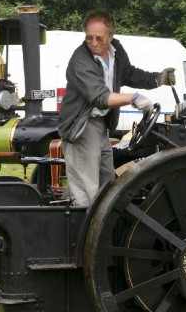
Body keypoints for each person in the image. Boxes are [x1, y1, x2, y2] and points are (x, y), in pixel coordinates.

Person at [57, 11, 177, 207]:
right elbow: (100, 97)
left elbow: (128, 74)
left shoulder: (116, 50)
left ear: (111, 36)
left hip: (100, 125)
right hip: (81, 126)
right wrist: (133, 97)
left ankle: (106, 226)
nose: (94, 43)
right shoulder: (80, 60)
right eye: (89, 37)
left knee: (107, 182)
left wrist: (158, 78)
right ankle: (85, 231)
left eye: (99, 38)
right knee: (88, 189)